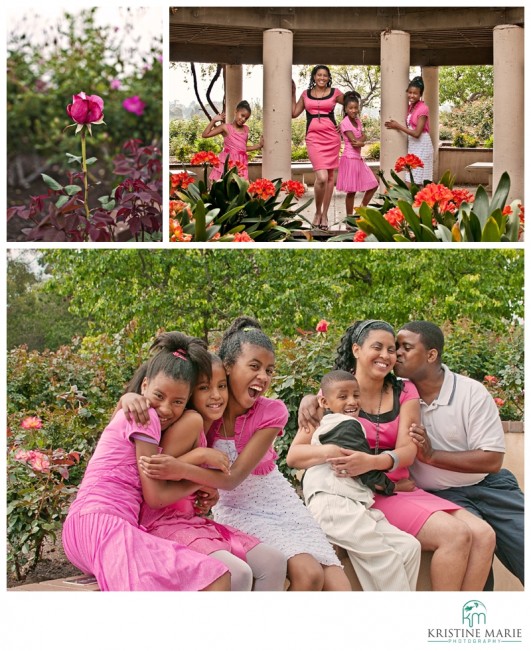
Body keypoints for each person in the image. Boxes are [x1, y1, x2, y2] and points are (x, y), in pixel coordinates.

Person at [140, 317, 351, 591]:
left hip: (281, 505)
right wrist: (131, 398)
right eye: (254, 366)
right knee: (309, 575)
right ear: (227, 368)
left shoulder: (271, 412)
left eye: (269, 370)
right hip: (239, 510)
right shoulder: (205, 412)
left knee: (341, 588)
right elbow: (163, 388)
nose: (263, 377)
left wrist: (182, 470)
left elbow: (232, 477)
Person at [291, 319, 496, 591]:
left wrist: (373, 461)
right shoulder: (335, 394)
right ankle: (435, 623)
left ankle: (456, 624)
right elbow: (296, 454)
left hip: (401, 488)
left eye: (392, 349)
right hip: (368, 492)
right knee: (455, 535)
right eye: (378, 347)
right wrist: (335, 453)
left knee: (484, 534)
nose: (387, 356)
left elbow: (408, 451)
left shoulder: (404, 389)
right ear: (356, 350)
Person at [61, 332, 230, 591]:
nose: (165, 408)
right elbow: (156, 497)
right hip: (103, 524)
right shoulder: (146, 417)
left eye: (177, 402)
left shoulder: (139, 412)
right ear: (144, 386)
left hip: (83, 528)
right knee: (216, 576)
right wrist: (199, 471)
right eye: (159, 396)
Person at [121, 347, 288, 592]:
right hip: (163, 524)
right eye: (204, 388)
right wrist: (198, 461)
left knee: (274, 563)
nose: (216, 395)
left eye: (221, 386)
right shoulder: (192, 421)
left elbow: (185, 476)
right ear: (189, 394)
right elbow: (162, 474)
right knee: (237, 572)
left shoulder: (211, 424)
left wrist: (204, 491)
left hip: (190, 521)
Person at [395, 320, 525, 589]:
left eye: (406, 347)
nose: (396, 353)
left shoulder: (470, 392)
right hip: (440, 495)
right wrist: (312, 399)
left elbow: (492, 460)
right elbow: (347, 385)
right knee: (476, 551)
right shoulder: (395, 390)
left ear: (431, 355)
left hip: (491, 487)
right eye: (396, 347)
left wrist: (432, 456)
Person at [300, 369, 421, 590]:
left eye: (356, 395)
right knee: (387, 560)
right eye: (343, 396)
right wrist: (394, 485)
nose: (352, 401)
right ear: (324, 401)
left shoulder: (336, 423)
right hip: (334, 505)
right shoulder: (347, 425)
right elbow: (365, 471)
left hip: (352, 505)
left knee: (409, 547)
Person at [292, 65, 345, 230]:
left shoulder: (335, 92)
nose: (322, 78)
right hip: (313, 138)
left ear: (328, 77)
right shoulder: (305, 94)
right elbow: (294, 113)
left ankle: (324, 214)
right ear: (314, 77)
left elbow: (352, 105)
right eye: (319, 75)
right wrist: (292, 92)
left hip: (332, 138)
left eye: (325, 75)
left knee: (329, 177)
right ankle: (317, 211)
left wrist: (344, 123)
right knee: (321, 177)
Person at [384, 76, 433, 184]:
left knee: (419, 181)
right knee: (411, 178)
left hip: (422, 146)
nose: (411, 95)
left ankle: (421, 201)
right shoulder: (411, 107)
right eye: (409, 92)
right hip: (413, 146)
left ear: (420, 94)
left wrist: (398, 126)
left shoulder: (423, 108)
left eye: (415, 93)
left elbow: (417, 133)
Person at [336, 92, 378, 215]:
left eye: (356, 107)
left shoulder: (358, 121)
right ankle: (349, 219)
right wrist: (362, 142)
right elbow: (355, 142)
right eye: (351, 108)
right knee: (352, 191)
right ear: (345, 109)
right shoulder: (345, 123)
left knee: (374, 184)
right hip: (349, 158)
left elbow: (364, 135)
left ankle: (360, 211)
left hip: (357, 158)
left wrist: (361, 141)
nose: (354, 110)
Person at [201, 100, 263, 181]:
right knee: (224, 187)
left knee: (239, 189)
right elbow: (205, 135)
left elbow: (243, 148)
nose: (243, 119)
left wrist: (259, 145)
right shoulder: (225, 127)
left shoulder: (246, 129)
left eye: (246, 118)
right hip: (227, 162)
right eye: (242, 115)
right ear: (236, 111)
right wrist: (213, 121)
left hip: (241, 163)